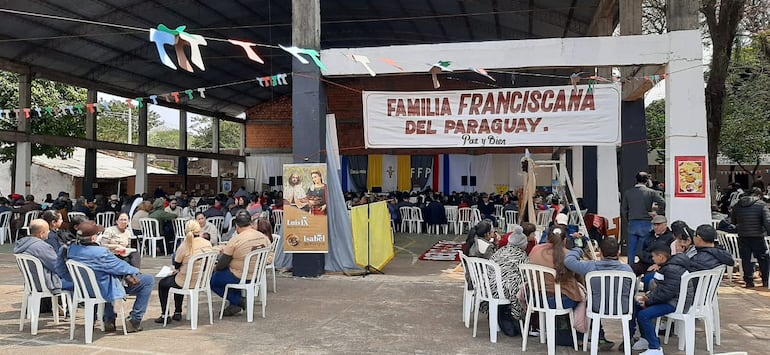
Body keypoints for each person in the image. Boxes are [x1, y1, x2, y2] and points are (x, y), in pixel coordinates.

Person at [56, 220, 153, 333]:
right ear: (93, 238)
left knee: (106, 275)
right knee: (148, 280)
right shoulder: (101, 253)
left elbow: (60, 268)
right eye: (97, 234)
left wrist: (73, 279)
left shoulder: (68, 249)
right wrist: (134, 271)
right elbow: (122, 267)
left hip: (82, 288)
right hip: (103, 289)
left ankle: (109, 319)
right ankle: (134, 319)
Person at [564, 237, 632, 351]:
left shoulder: (591, 267)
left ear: (600, 252)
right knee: (634, 304)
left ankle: (585, 338)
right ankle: (628, 339)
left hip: (597, 308)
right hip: (623, 308)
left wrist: (578, 250)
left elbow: (568, 261)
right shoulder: (627, 270)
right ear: (618, 253)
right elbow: (632, 291)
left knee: (588, 300)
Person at [211, 211, 273, 316]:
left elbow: (223, 263)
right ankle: (234, 305)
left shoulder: (236, 240)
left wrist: (215, 268)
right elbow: (270, 255)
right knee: (227, 275)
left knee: (213, 280)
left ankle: (238, 301)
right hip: (256, 274)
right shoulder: (263, 237)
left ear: (236, 226)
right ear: (250, 223)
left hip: (239, 274)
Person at [629, 246, 689, 354]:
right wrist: (648, 297)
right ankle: (646, 338)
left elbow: (666, 293)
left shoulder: (671, 269)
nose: (652, 259)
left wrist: (648, 301)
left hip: (675, 303)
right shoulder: (668, 267)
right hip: (670, 299)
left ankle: (655, 347)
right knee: (638, 306)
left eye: (654, 257)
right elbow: (660, 288)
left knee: (644, 315)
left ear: (661, 257)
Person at [155, 219, 213, 323]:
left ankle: (165, 314)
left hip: (186, 280)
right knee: (179, 278)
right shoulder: (207, 243)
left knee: (164, 284)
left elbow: (177, 265)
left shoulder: (184, 246)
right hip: (201, 280)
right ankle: (177, 312)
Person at [529, 225, 585, 312]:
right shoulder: (569, 255)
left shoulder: (535, 250)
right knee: (584, 297)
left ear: (547, 239)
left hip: (536, 298)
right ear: (565, 240)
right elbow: (579, 276)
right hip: (562, 301)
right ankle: (577, 324)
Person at [14, 219, 63, 313]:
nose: (49, 233)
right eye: (47, 231)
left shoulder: (22, 244)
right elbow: (56, 266)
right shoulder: (41, 247)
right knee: (75, 280)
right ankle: (69, 310)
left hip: (31, 282)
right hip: (44, 283)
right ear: (41, 233)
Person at [621, 171, 667, 266]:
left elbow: (623, 209)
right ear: (647, 181)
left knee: (631, 249)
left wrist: (628, 220)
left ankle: (631, 268)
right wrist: (657, 214)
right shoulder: (651, 192)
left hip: (633, 223)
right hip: (646, 223)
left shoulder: (628, 192)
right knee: (644, 249)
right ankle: (643, 267)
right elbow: (662, 202)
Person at [490, 225, 530, 329]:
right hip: (506, 289)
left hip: (490, 287)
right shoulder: (522, 256)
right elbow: (526, 276)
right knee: (524, 288)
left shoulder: (499, 251)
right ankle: (521, 318)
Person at [730, 187, 770, 288]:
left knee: (746, 258)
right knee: (763, 258)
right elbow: (767, 221)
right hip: (758, 235)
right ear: (759, 195)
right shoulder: (761, 205)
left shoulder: (737, 205)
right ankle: (765, 280)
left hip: (743, 235)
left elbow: (733, 221)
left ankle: (749, 281)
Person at [633, 215, 675, 289]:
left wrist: (658, 264)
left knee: (649, 278)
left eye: (658, 224)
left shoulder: (670, 238)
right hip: (644, 262)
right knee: (630, 271)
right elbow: (640, 251)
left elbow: (669, 256)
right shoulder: (649, 235)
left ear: (665, 225)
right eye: (654, 225)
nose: (655, 227)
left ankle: (648, 297)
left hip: (659, 265)